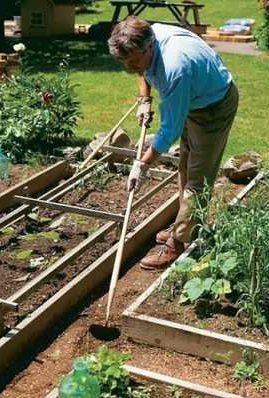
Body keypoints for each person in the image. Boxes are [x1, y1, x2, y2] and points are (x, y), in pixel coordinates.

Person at [108, 17, 239, 270]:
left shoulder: (174, 68)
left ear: (149, 47)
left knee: (198, 176)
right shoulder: (149, 36)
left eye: (133, 60)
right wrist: (144, 98)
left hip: (214, 107)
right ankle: (185, 225)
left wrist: (142, 165)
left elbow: (169, 131)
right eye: (124, 62)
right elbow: (142, 70)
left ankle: (180, 243)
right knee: (185, 165)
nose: (130, 67)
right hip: (195, 96)